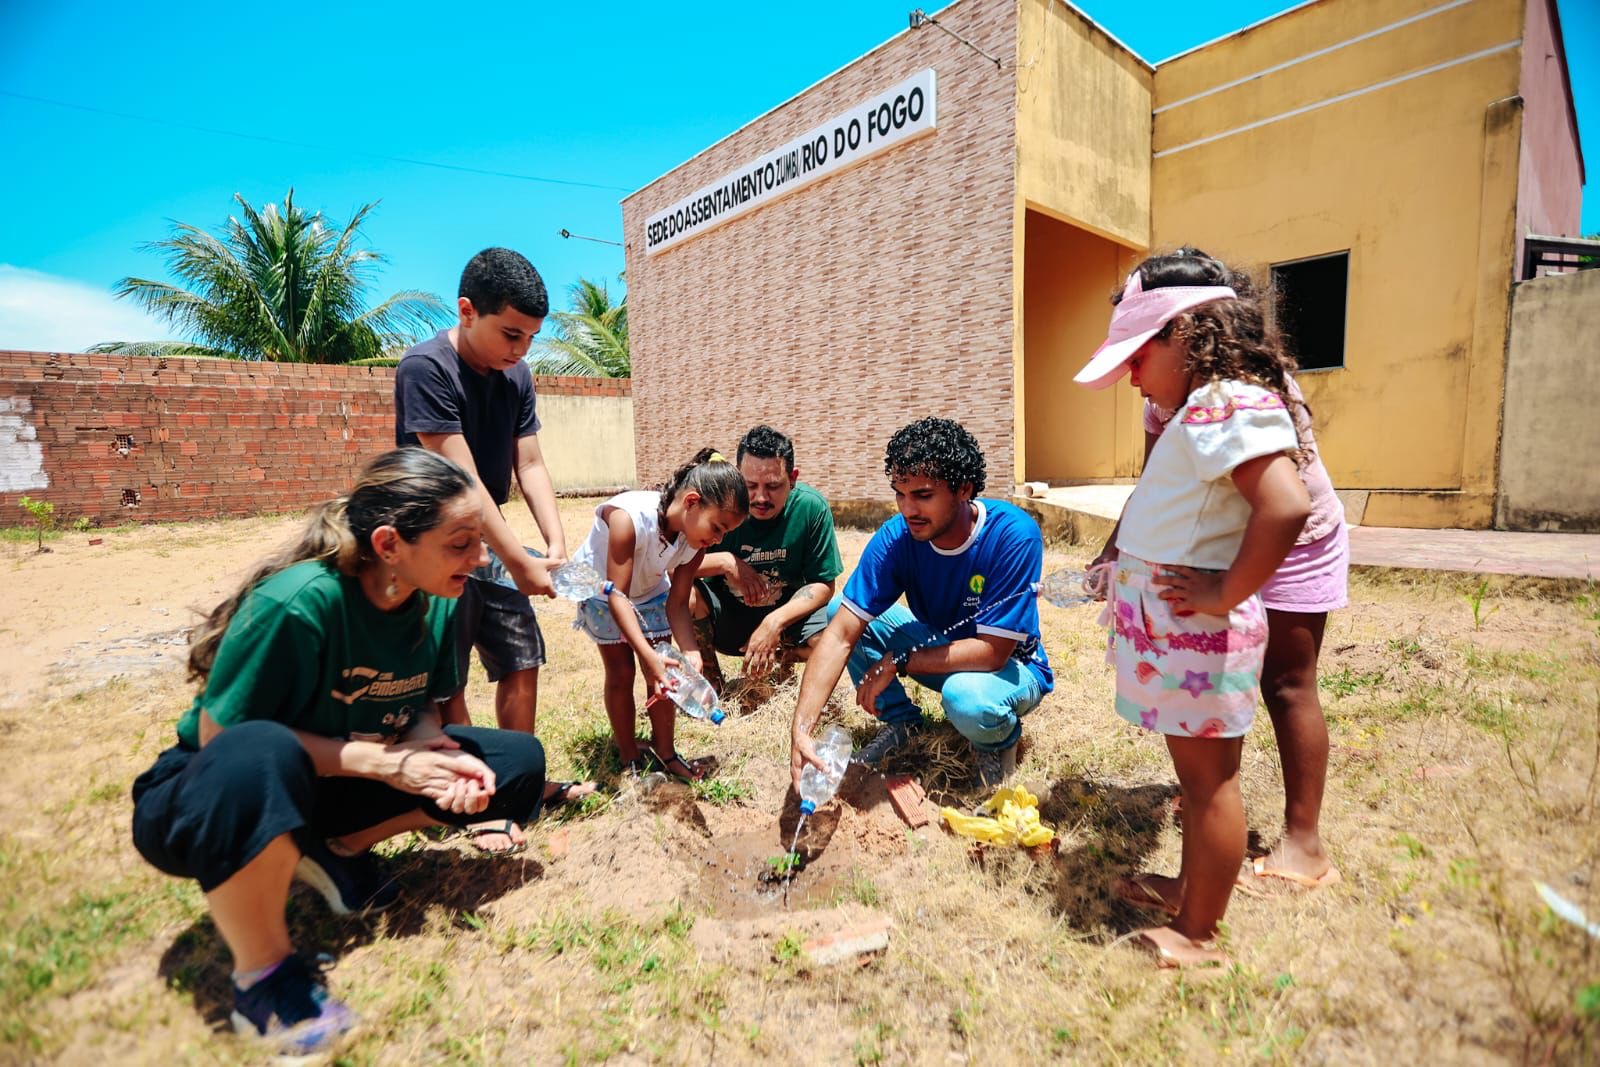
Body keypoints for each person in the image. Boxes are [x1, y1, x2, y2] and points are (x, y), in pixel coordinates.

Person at [130, 448, 547, 1058]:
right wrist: (386, 764)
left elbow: (422, 702)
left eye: (480, 540)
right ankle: (265, 979)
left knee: (514, 763)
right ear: (388, 544)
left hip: (327, 781)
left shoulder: (435, 599)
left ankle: (334, 849)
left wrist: (431, 749)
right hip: (210, 796)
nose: (480, 559)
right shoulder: (300, 602)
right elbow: (227, 741)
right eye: (461, 543)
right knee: (263, 749)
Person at [1072, 252, 1312, 967]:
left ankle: (1199, 932)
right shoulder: (1203, 406)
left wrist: (1223, 591)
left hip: (1201, 635)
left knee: (1211, 783)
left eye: (1139, 355)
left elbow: (1286, 502)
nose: (1133, 377)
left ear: (1187, 333)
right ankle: (1189, 884)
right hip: (1180, 638)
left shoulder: (1226, 402)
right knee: (1197, 779)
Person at [394, 247, 590, 852]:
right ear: (467, 310)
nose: (521, 350)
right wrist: (520, 558)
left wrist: (554, 540)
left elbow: (527, 461)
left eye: (531, 337)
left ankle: (518, 787)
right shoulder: (424, 368)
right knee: (448, 678)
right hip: (431, 544)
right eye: (511, 334)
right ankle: (470, 801)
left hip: (489, 534)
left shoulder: (518, 377)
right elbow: (463, 478)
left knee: (520, 657)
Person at [789, 418, 1051, 792]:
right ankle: (903, 726)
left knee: (966, 698)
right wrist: (801, 730)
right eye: (900, 493)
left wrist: (898, 661)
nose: (908, 509)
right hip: (940, 645)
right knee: (837, 615)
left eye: (923, 495)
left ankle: (997, 742)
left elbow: (993, 652)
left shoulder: (1012, 535)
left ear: (964, 489)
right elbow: (840, 635)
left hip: (1011, 666)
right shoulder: (897, 538)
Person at [568, 449, 749, 781]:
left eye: (725, 533)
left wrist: (690, 650)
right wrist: (645, 652)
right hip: (603, 592)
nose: (719, 539)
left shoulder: (696, 542)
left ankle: (666, 752)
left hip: (650, 590)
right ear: (692, 501)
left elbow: (678, 602)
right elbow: (616, 595)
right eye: (718, 527)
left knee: (663, 676)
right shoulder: (629, 520)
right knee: (622, 672)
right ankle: (629, 757)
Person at [689, 425, 842, 695]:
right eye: (750, 486)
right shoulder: (717, 505)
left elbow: (824, 584)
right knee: (687, 596)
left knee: (833, 638)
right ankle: (710, 684)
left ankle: (783, 665)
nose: (760, 498)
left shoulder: (811, 508)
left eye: (773, 486)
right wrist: (727, 562)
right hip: (728, 619)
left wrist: (774, 623)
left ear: (792, 479)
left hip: (788, 620)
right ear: (737, 477)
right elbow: (677, 566)